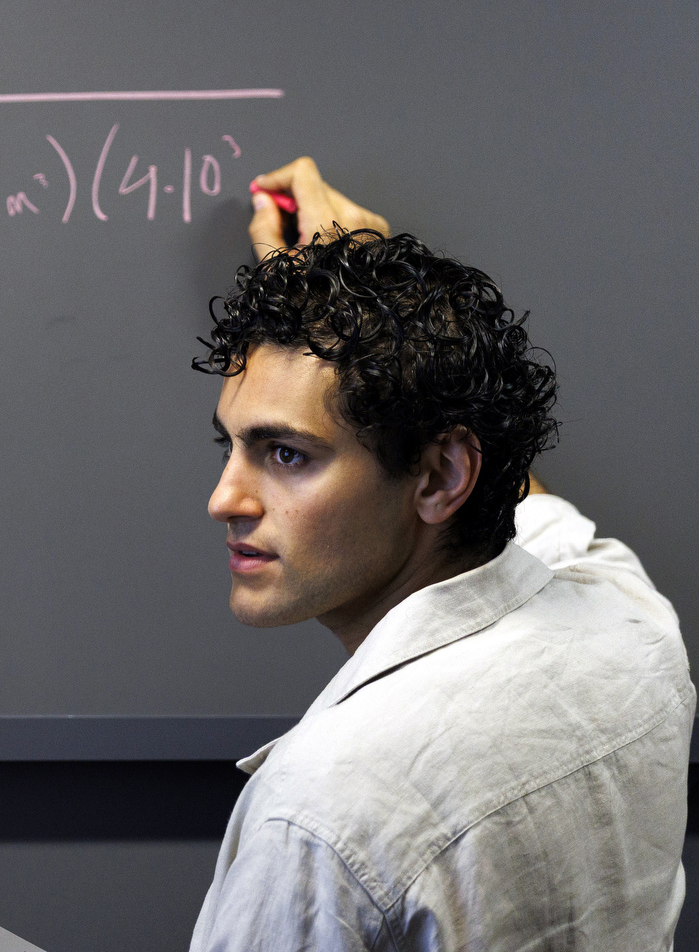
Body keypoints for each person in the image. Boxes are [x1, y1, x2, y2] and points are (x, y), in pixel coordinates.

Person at [188, 157, 694, 950]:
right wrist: (375, 311)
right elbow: (511, 492)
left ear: (438, 475)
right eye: (232, 447)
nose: (227, 498)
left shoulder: (319, 812)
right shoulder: (630, 622)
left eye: (285, 454)